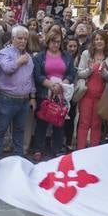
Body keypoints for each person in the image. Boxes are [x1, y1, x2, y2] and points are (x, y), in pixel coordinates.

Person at [0, 26, 36, 160]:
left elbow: (30, 78)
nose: (23, 41)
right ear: (13, 39)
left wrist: (32, 96)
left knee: (20, 129)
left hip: (24, 100)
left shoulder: (28, 57)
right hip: (7, 98)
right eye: (20, 38)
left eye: (25, 39)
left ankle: (18, 156)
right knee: (1, 128)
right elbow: (7, 68)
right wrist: (18, 62)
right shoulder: (4, 53)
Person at [31, 28, 77, 162]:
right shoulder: (40, 57)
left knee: (59, 122)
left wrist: (63, 84)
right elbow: (37, 75)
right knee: (42, 122)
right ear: (47, 41)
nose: (55, 44)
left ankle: (57, 149)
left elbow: (71, 73)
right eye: (52, 42)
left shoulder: (67, 56)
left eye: (58, 42)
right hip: (45, 92)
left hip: (61, 93)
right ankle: (38, 149)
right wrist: (50, 85)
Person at [74, 30, 108, 150]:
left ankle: (93, 152)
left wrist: (105, 73)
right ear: (93, 41)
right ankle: (80, 151)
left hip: (102, 96)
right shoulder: (87, 54)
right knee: (83, 123)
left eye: (101, 39)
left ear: (106, 41)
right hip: (87, 94)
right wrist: (90, 70)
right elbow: (79, 73)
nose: (99, 41)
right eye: (96, 39)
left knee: (96, 125)